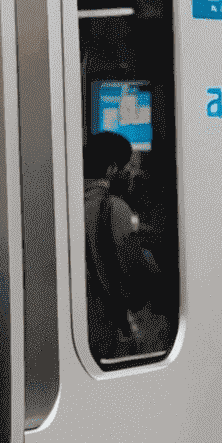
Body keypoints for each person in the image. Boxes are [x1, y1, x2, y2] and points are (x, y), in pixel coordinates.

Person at [82, 131, 157, 361]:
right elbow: (137, 273)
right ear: (112, 169)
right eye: (128, 167)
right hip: (106, 327)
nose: (132, 174)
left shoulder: (68, 200)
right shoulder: (114, 207)